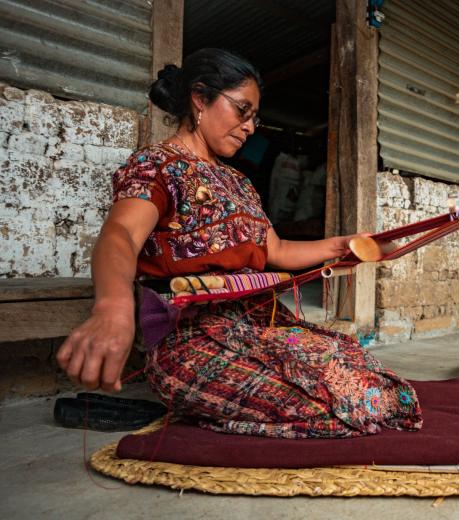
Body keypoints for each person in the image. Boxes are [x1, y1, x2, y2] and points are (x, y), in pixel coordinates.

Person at [56, 48, 422, 438]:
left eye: (254, 118)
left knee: (357, 368)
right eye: (241, 111)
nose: (249, 127)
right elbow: (122, 234)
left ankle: (214, 411)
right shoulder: (156, 166)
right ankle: (200, 404)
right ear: (200, 99)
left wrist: (346, 246)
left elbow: (277, 251)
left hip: (260, 323)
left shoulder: (239, 183)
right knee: (331, 404)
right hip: (192, 339)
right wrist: (112, 306)